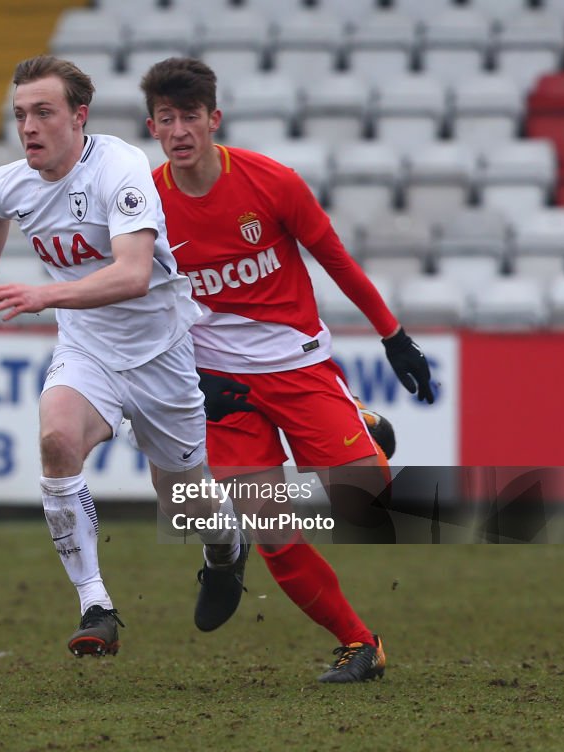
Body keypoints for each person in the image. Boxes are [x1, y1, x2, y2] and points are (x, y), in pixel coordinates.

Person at [140, 57, 435, 683]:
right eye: (167, 119)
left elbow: (334, 257)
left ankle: (358, 420)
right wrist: (186, 378)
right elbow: (146, 301)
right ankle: (360, 645)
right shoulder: (147, 206)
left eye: (190, 116)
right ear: (153, 126)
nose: (180, 130)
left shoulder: (273, 182)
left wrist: (394, 335)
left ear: (213, 119)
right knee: (273, 528)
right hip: (221, 387)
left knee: (366, 505)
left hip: (297, 365)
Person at [0, 55, 247, 657]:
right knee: (57, 441)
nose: (29, 127)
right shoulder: (13, 180)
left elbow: (134, 275)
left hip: (159, 353)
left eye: (43, 113)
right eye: (20, 115)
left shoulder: (120, 168)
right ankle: (96, 606)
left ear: (78, 116)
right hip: (87, 349)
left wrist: (43, 294)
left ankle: (228, 550)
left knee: (183, 503)